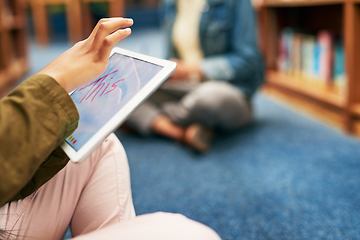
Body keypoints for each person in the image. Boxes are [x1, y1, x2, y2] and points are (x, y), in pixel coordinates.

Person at [0, 18, 221, 240]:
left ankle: (164, 121)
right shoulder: (173, 6)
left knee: (99, 140)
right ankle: (178, 130)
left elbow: (246, 65)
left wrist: (195, 71)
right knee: (196, 235)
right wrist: (53, 80)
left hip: (211, 84)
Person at [125, 0, 265, 152]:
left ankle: (157, 121)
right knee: (125, 91)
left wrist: (192, 70)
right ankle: (182, 133)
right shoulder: (169, 4)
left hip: (225, 89)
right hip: (183, 88)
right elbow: (171, 57)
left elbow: (249, 62)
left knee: (209, 99)